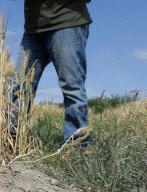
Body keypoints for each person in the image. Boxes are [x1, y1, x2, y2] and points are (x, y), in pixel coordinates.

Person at [9, 0, 93, 147]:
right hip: (33, 30)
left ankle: (77, 144)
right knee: (19, 85)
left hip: (66, 23)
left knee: (71, 84)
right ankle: (11, 140)